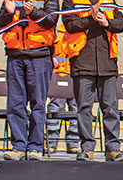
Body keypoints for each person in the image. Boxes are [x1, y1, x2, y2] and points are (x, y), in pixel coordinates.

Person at [61, 0, 123, 162]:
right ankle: (87, 147)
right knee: (84, 107)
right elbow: (70, 25)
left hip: (107, 62)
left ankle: (112, 148)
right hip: (83, 61)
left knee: (110, 107)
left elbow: (121, 23)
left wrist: (107, 22)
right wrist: (91, 19)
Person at [0, 0, 59, 161]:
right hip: (15, 57)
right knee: (15, 103)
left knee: (38, 103)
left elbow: (51, 20)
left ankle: (35, 147)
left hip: (39, 57)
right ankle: (18, 146)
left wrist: (34, 14)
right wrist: (7, 12)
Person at [46, 24, 79, 155]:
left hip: (75, 76)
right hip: (58, 77)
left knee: (76, 110)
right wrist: (51, 58)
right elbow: (47, 49)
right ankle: (51, 143)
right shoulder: (56, 35)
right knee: (54, 108)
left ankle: (73, 144)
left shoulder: (80, 34)